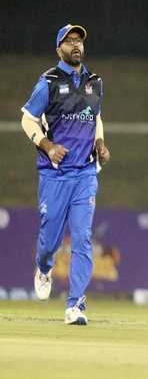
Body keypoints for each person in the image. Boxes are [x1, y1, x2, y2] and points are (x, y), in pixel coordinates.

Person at [20, 24, 110, 325]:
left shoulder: (95, 82)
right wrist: (47, 146)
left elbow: (94, 118)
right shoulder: (47, 82)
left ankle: (75, 306)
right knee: (50, 243)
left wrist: (99, 143)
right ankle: (43, 268)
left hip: (85, 173)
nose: (76, 46)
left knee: (83, 238)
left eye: (79, 41)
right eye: (69, 41)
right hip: (55, 175)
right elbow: (27, 119)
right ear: (59, 48)